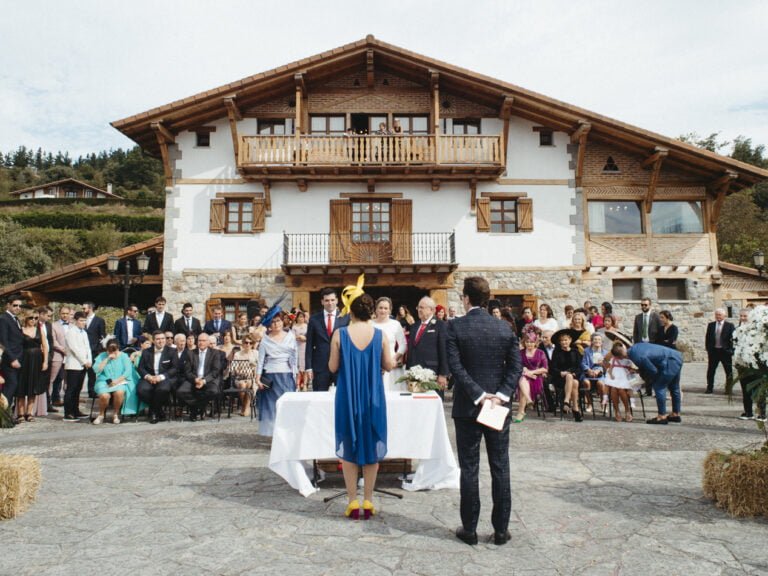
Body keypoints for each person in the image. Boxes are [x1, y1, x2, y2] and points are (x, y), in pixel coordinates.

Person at [447, 276, 521, 546]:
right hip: (497, 406)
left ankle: (469, 529)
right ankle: (501, 530)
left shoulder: (455, 327)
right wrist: (500, 396)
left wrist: (478, 395)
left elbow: (456, 367)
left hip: (468, 406)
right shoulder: (504, 328)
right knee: (500, 466)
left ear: (466, 298)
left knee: (469, 468)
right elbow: (516, 367)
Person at [329, 282, 394, 520]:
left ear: (351, 310)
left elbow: (332, 367)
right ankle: (368, 500)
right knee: (371, 445)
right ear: (370, 311)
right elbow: (389, 365)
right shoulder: (380, 335)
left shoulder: (340, 334)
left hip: (347, 395)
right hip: (372, 396)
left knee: (349, 448)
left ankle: (352, 502)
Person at [619, 342, 683, 424]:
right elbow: (648, 360)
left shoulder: (635, 356)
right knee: (674, 387)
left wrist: (645, 379)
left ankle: (661, 416)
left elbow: (653, 370)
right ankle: (676, 414)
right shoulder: (635, 347)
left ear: (621, 357)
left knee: (659, 386)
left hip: (669, 362)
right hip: (676, 356)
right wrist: (638, 370)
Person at [256, 310, 297, 435]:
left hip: (287, 375)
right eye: (273, 322)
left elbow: (295, 358)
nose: (276, 324)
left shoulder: (290, 336)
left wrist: (296, 375)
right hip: (270, 376)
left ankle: (287, 433)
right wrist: (258, 378)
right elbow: (260, 361)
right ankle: (274, 434)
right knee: (271, 405)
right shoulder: (265, 340)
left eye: (278, 321)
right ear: (269, 325)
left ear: (282, 321)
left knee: (287, 404)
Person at [305, 288, 348, 392]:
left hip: (340, 365)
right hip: (320, 367)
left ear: (337, 300)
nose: (330, 303)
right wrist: (308, 367)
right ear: (322, 302)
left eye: (332, 300)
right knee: (319, 396)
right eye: (327, 300)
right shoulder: (314, 319)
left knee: (342, 396)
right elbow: (309, 344)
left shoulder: (346, 318)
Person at [406, 296, 449, 397]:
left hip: (432, 374)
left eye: (422, 307)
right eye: (418, 307)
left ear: (432, 310)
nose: (419, 310)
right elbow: (411, 349)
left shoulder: (440, 325)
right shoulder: (414, 326)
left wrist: (443, 374)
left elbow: (444, 350)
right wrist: (408, 371)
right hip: (414, 373)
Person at [92, 339, 138, 424]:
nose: (113, 353)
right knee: (104, 396)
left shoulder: (123, 356)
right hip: (104, 380)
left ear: (118, 348)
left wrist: (117, 381)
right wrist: (107, 359)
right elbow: (96, 370)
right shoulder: (102, 356)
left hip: (119, 380)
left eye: (115, 351)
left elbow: (128, 371)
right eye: (110, 351)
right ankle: (101, 415)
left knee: (119, 392)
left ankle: (115, 414)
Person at [136, 331, 178, 424]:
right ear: (153, 341)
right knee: (141, 390)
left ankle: (154, 412)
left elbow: (175, 368)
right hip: (149, 377)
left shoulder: (172, 351)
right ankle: (159, 410)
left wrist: (161, 377)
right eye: (158, 339)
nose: (161, 341)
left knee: (162, 389)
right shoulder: (146, 351)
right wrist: (148, 377)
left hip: (164, 378)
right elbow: (141, 368)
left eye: (163, 338)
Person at [15, 309, 48, 422]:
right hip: (24, 360)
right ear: (26, 318)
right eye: (31, 318)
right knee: (21, 386)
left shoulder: (40, 330)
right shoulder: (20, 330)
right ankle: (20, 413)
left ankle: (29, 413)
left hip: (37, 360)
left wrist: (45, 361)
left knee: (33, 387)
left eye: (36, 318)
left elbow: (45, 347)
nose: (33, 320)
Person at [178, 332, 220, 421]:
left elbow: (215, 371)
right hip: (194, 378)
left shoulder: (215, 353)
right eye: (199, 340)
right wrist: (195, 379)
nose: (201, 343)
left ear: (208, 342)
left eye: (204, 341)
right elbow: (187, 371)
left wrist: (203, 381)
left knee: (213, 391)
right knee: (181, 391)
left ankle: (196, 409)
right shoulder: (190, 353)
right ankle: (198, 408)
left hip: (208, 379)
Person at [734, 308, 766, 421]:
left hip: (757, 366)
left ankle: (762, 413)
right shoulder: (738, 330)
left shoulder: (758, 330)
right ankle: (748, 412)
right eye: (741, 316)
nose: (742, 318)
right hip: (743, 365)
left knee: (759, 390)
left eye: (745, 316)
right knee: (745, 389)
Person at [372, 296, 407, 391]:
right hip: (373, 363)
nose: (383, 311)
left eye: (385, 308)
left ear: (390, 310)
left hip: (392, 363)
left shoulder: (395, 324)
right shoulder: (370, 324)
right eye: (380, 308)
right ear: (376, 309)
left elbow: (403, 344)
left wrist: (394, 359)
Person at [63, 311, 92, 422]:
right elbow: (75, 349)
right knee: (71, 389)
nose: (83, 322)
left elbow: (87, 348)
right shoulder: (71, 332)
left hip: (83, 365)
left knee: (78, 389)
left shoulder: (84, 332)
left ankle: (76, 410)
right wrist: (84, 361)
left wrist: (89, 360)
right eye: (81, 320)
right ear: (75, 321)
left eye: (85, 320)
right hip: (74, 364)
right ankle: (68, 412)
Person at [550, 330, 583, 422]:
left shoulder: (575, 352)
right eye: (562, 340)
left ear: (570, 340)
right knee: (571, 378)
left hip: (573, 376)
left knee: (574, 381)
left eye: (566, 340)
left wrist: (574, 373)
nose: (564, 342)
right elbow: (552, 368)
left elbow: (579, 367)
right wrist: (561, 373)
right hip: (560, 378)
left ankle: (567, 402)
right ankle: (575, 408)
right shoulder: (557, 352)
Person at [515, 330, 547, 423]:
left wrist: (532, 372)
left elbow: (545, 369)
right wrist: (524, 369)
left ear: (535, 343)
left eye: (531, 342)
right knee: (523, 380)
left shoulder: (540, 353)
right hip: (523, 376)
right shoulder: (520, 352)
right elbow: (517, 365)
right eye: (527, 342)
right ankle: (529, 400)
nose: (529, 344)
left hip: (536, 378)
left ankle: (521, 412)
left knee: (523, 385)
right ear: (524, 342)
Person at [604, 341, 637, 422]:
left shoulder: (630, 354)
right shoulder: (613, 355)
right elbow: (606, 363)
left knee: (621, 390)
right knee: (614, 389)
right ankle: (617, 410)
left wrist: (631, 370)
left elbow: (635, 368)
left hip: (627, 379)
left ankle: (627, 410)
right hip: (616, 379)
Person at [705, 308, 734, 394]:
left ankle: (728, 389)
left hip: (725, 352)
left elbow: (733, 339)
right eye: (716, 314)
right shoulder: (711, 325)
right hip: (714, 351)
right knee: (711, 371)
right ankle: (709, 388)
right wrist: (708, 349)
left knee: (728, 371)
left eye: (720, 315)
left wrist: (731, 350)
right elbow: (707, 338)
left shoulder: (730, 326)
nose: (718, 316)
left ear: (724, 316)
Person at [228, 335, 259, 417]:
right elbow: (233, 368)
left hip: (252, 377)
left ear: (252, 344)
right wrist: (241, 373)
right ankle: (245, 406)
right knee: (242, 384)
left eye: (250, 343)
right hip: (239, 377)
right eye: (246, 342)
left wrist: (253, 371)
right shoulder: (238, 354)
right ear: (243, 343)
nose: (248, 344)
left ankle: (245, 407)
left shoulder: (256, 353)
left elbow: (259, 367)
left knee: (248, 384)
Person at [49, 306, 71, 410]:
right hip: (57, 355)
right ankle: (48, 401)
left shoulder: (73, 326)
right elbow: (53, 340)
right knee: (53, 379)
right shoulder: (54, 325)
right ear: (59, 313)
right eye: (63, 313)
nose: (65, 315)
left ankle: (59, 399)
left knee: (64, 378)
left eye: (67, 313)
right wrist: (63, 349)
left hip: (70, 357)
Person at [83, 301, 106, 397]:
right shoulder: (82, 319)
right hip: (82, 349)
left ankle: (91, 392)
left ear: (90, 308)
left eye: (84, 308)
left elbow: (102, 336)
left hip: (93, 350)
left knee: (92, 373)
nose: (83, 310)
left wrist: (98, 349)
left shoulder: (99, 320)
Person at [581, 333, 608, 412]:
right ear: (592, 341)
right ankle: (589, 403)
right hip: (588, 373)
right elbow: (583, 363)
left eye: (599, 339)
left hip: (600, 374)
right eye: (595, 339)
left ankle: (603, 403)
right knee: (586, 382)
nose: (597, 341)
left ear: (602, 342)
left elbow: (607, 365)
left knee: (601, 383)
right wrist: (588, 370)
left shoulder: (605, 352)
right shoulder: (586, 351)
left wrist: (599, 370)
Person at [291, 310, 308, 390]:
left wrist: (305, 338)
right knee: (298, 366)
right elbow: (292, 337)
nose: (301, 318)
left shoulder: (307, 326)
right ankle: (297, 384)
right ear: (297, 318)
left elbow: (310, 336)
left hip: (305, 347)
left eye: (302, 317)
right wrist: (299, 337)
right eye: (299, 317)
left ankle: (305, 384)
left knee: (305, 366)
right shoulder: (294, 327)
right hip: (297, 347)